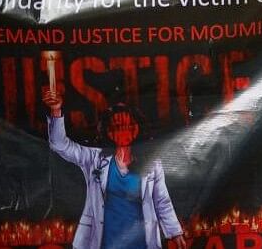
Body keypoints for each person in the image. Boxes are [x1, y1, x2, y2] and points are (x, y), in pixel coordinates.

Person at [42, 89, 186, 249]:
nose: (123, 131)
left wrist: (175, 233)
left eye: (128, 125)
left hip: (141, 242)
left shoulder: (152, 163)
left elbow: (162, 201)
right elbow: (59, 144)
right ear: (107, 130)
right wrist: (56, 110)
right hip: (105, 242)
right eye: (117, 126)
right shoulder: (95, 159)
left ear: (138, 127)